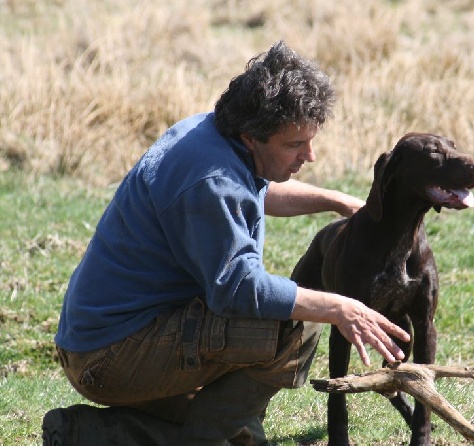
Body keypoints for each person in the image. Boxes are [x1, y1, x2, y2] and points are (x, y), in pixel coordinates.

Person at [41, 41, 410, 446]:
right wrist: (340, 307)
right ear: (253, 136)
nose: (311, 155)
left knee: (243, 436)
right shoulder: (210, 181)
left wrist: (335, 201)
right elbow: (239, 290)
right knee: (297, 326)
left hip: (107, 338)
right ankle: (88, 435)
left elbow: (254, 190)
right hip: (111, 356)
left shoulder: (214, 135)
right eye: (294, 145)